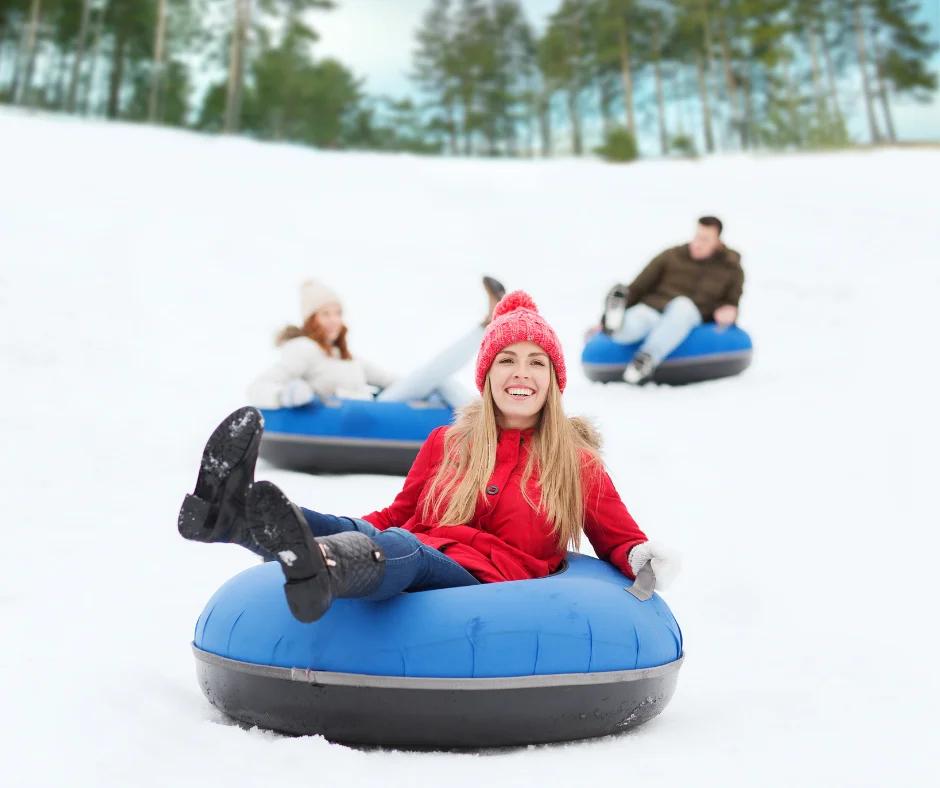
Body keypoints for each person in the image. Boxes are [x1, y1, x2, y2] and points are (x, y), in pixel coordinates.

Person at [179, 292, 677, 623]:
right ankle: (229, 516)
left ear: (553, 380)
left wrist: (641, 557)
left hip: (491, 581)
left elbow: (619, 535)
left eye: (535, 362)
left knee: (404, 547)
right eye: (506, 360)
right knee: (381, 533)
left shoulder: (575, 461)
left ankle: (325, 566)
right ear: (486, 376)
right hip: (419, 545)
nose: (519, 373)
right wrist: (342, 525)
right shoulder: (447, 442)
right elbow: (400, 515)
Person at [247, 276, 506, 409]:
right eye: (325, 314)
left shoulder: (343, 355)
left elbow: (391, 380)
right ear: (311, 319)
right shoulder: (303, 349)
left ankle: (486, 418)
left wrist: (421, 389)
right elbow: (259, 387)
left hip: (376, 407)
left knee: (438, 380)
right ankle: (486, 326)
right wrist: (285, 395)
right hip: (361, 411)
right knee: (433, 373)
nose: (334, 321)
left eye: (337, 313)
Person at [600, 216, 744, 385]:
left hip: (690, 315)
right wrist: (603, 321)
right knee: (637, 321)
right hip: (654, 307)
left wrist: (729, 310)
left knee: (682, 306)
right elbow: (638, 287)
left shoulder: (731, 268)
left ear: (717, 241)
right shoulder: (671, 256)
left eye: (705, 240)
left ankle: (645, 359)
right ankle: (614, 324)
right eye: (697, 236)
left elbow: (732, 300)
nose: (697, 243)